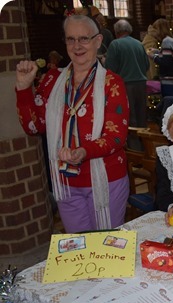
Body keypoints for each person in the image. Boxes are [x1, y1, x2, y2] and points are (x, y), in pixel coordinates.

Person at [15, 13, 130, 233]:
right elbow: (33, 126)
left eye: (84, 39)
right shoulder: (51, 80)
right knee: (78, 250)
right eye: (71, 39)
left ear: (97, 41)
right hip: (65, 182)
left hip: (106, 180)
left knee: (107, 250)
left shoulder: (111, 83)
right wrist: (23, 89)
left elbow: (116, 136)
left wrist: (83, 151)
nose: (77, 45)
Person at [105, 19, 149, 134]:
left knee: (130, 118)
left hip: (125, 85)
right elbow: (147, 65)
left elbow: (110, 69)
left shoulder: (115, 44)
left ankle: (133, 148)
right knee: (141, 117)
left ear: (116, 32)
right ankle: (144, 146)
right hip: (141, 85)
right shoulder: (139, 44)